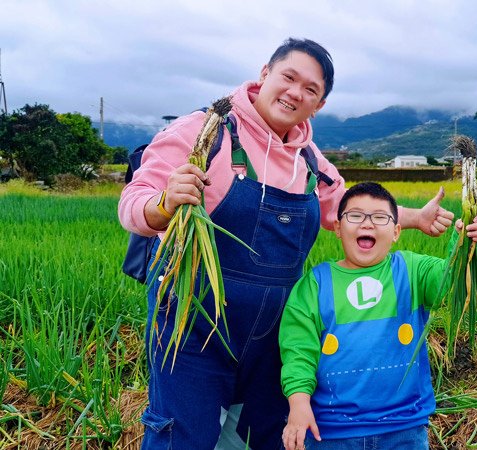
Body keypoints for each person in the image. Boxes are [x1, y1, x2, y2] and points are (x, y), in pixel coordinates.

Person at [118, 38, 455, 450]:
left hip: (274, 334)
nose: (296, 92)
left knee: (275, 439)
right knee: (181, 436)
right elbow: (133, 204)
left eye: (311, 90)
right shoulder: (203, 131)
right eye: (288, 77)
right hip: (192, 325)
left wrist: (417, 218)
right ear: (265, 74)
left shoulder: (310, 159)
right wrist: (165, 203)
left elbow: (347, 211)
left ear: (320, 105)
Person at [279, 182, 477, 450]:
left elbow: (449, 279)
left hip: (404, 428)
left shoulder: (411, 271)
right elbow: (298, 352)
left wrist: (465, 243)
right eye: (355, 216)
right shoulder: (315, 284)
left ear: (397, 231)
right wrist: (298, 405)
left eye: (380, 217)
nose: (367, 224)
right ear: (338, 228)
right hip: (332, 431)